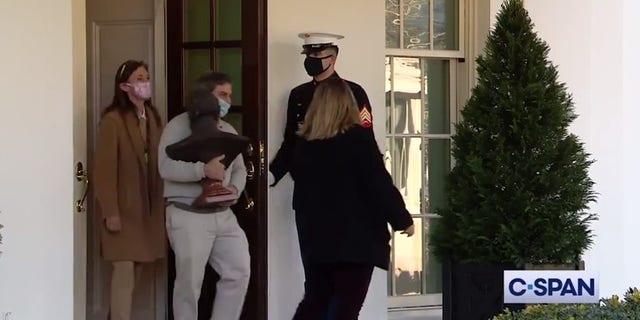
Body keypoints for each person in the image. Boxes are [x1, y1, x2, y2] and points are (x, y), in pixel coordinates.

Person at [268, 32, 376, 319]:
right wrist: (270, 176)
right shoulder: (299, 96)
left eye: (320, 56)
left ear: (334, 57)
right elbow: (291, 144)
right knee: (316, 284)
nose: (314, 61)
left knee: (346, 287)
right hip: (309, 203)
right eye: (310, 57)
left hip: (345, 205)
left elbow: (366, 148)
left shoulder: (353, 92)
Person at [291, 78, 415, 319]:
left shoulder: (305, 145)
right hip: (355, 240)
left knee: (315, 301)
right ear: (347, 104)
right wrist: (402, 219)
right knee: (345, 306)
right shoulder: (358, 140)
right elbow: (378, 183)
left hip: (316, 239)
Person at [159, 72, 250, 320]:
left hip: (224, 214)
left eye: (230, 95)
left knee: (239, 271)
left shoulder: (228, 128)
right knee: (189, 286)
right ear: (205, 95)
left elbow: (240, 168)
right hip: (188, 215)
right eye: (222, 94)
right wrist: (202, 170)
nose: (227, 101)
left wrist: (234, 190)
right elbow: (165, 167)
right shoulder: (177, 126)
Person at [93, 60, 166, 320]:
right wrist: (110, 211)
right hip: (123, 210)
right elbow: (103, 171)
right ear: (125, 86)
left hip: (147, 209)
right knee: (123, 271)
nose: (145, 82)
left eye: (146, 77)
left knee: (136, 271)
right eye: (139, 78)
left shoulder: (152, 116)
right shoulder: (112, 121)